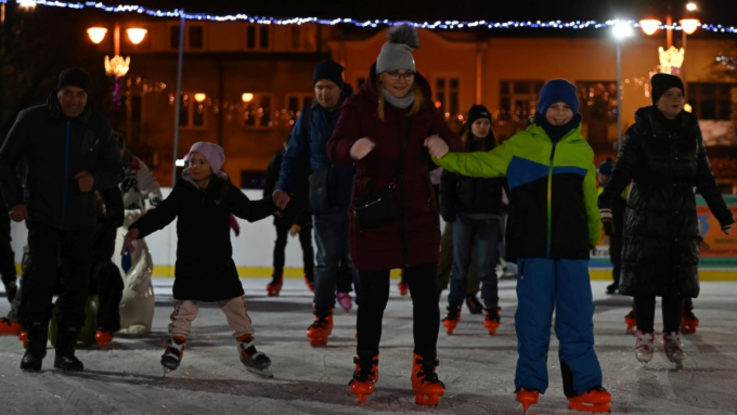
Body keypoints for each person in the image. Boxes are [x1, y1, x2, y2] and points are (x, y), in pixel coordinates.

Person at [434, 79, 611, 413]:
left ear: (574, 111)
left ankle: (584, 387)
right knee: (533, 318)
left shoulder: (582, 149)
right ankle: (529, 382)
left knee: (577, 318)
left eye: (566, 107)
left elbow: (590, 200)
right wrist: (447, 158)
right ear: (541, 109)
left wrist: (592, 234)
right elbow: (480, 165)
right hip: (533, 248)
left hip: (572, 248)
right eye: (553, 107)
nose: (560, 113)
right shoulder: (520, 145)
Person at [327, 24, 462, 405]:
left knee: (425, 296)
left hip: (418, 212)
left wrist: (443, 142)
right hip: (375, 214)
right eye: (394, 73)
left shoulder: (423, 105)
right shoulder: (359, 106)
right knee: (372, 299)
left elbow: (455, 138)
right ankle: (366, 365)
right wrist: (350, 148)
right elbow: (334, 146)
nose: (401, 80)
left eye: (407, 73)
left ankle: (426, 369)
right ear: (379, 74)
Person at [599, 73, 733, 368]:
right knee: (646, 279)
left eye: (680, 95)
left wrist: (722, 213)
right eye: (670, 94)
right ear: (656, 99)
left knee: (677, 280)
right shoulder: (639, 131)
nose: (676, 100)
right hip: (645, 216)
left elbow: (705, 176)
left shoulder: (691, 132)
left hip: (680, 216)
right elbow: (622, 171)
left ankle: (672, 336)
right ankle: (645, 334)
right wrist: (606, 202)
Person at [0, 67, 124, 372]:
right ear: (57, 93)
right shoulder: (32, 120)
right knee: (39, 283)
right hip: (42, 218)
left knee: (76, 287)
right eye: (68, 92)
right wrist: (14, 200)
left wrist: (94, 180)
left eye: (81, 94)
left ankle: (66, 352)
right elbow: (4, 160)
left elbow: (116, 171)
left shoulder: (97, 124)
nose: (75, 99)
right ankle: (36, 350)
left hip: (82, 222)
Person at [122, 142, 276, 377]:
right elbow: (161, 215)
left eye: (201, 162)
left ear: (213, 166)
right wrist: (136, 230)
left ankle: (247, 349)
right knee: (185, 310)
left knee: (237, 309)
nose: (195, 166)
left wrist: (274, 202)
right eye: (192, 161)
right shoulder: (183, 191)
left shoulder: (225, 190)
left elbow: (250, 211)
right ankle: (175, 347)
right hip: (190, 263)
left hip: (220, 263)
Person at [272, 59, 359, 347]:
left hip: (358, 202)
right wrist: (283, 188)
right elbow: (293, 157)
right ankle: (322, 316)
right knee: (325, 263)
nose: (323, 93)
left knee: (359, 263)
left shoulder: (357, 113)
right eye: (319, 88)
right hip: (324, 201)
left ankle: (366, 319)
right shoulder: (308, 118)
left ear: (340, 87)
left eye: (329, 87)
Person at [439, 104, 504, 335]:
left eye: (486, 123)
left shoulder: (497, 153)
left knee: (486, 268)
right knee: (459, 266)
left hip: (489, 217)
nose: (483, 127)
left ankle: (492, 308)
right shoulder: (459, 150)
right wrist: (448, 211)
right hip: (463, 217)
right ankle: (453, 307)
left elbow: (510, 182)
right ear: (470, 125)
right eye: (478, 123)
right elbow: (446, 182)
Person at [115, 132, 162, 335]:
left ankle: (138, 316)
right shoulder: (94, 163)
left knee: (136, 265)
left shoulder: (135, 166)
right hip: (103, 225)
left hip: (130, 225)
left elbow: (151, 190)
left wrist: (150, 213)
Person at [263, 140, 315, 295]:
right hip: (282, 209)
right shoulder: (277, 160)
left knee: (306, 244)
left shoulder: (306, 160)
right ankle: (276, 278)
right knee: (280, 243)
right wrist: (271, 206)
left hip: (302, 208)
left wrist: (303, 215)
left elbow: (310, 188)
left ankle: (310, 277)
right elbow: (268, 185)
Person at [596, 157, 626, 295]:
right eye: (599, 174)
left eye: (603, 175)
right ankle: (618, 280)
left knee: (620, 256)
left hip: (621, 230)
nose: (600, 177)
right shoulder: (601, 191)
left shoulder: (617, 191)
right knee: (615, 256)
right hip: (614, 231)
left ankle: (622, 281)